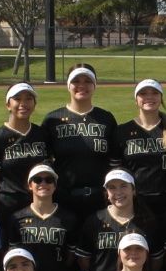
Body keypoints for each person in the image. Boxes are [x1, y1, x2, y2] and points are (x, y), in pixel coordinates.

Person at [46, 64, 117, 221]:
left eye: (87, 80)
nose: (82, 85)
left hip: (100, 199)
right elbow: (45, 161)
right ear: (68, 86)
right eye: (76, 80)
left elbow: (115, 160)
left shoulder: (106, 118)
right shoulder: (53, 119)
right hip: (64, 199)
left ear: (94, 85)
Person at [0, 82, 54, 221]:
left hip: (40, 205)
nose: (23, 103)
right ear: (8, 105)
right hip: (9, 207)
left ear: (34, 104)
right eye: (17, 99)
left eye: (28, 98)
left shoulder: (42, 134)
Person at [109, 79, 166, 216]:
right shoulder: (122, 132)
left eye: (154, 93)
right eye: (143, 93)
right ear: (136, 100)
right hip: (135, 201)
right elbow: (115, 171)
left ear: (161, 98)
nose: (149, 97)